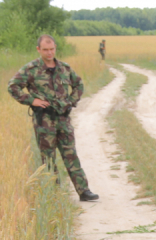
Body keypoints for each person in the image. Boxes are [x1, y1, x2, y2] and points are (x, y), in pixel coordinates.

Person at [7, 35, 98, 201]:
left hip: (63, 119)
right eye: (45, 50)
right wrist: (31, 100)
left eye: (52, 49)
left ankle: (83, 191)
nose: (49, 53)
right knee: (48, 158)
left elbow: (78, 84)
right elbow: (13, 87)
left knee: (71, 154)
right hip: (44, 120)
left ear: (55, 48)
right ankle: (54, 195)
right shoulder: (31, 69)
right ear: (38, 50)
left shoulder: (64, 68)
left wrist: (71, 101)